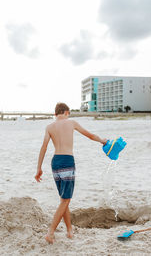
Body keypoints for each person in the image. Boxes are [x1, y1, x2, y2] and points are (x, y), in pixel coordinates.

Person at [35, 102, 107, 244]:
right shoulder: (71, 122)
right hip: (67, 161)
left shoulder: (49, 127)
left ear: (55, 114)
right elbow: (90, 135)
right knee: (66, 199)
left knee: (64, 198)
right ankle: (50, 232)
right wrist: (102, 141)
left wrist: (39, 168)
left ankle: (69, 230)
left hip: (55, 162)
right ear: (66, 112)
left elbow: (43, 147)